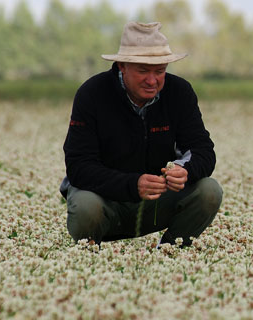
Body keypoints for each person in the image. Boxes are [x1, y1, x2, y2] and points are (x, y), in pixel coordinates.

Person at [61, 22, 222, 247]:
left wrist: (186, 171)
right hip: (105, 199)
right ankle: (89, 259)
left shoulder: (180, 92)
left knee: (209, 190)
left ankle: (169, 254)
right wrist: (132, 184)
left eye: (160, 71)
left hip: (155, 201)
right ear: (122, 66)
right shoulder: (92, 94)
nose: (152, 80)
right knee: (86, 205)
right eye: (143, 71)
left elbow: (202, 149)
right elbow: (79, 166)